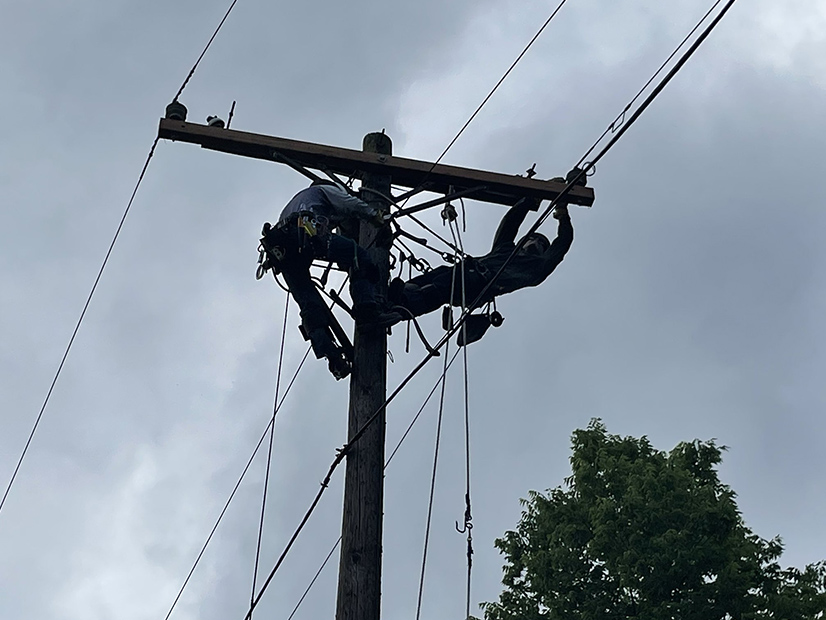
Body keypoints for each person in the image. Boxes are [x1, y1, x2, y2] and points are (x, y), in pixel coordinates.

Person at [260, 181, 400, 380]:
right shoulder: (324, 191)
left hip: (282, 250)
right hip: (307, 232)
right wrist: (376, 218)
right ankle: (368, 312)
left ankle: (332, 356)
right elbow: (350, 204)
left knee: (309, 305)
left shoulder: (293, 204)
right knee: (358, 255)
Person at [390, 196, 574, 322]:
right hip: (465, 271)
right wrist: (530, 200)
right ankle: (393, 298)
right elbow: (510, 223)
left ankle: (403, 307)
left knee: (438, 288)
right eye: (532, 238)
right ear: (522, 242)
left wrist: (562, 214)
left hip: (478, 284)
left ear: (544, 252)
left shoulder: (538, 268)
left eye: (541, 244)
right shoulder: (505, 249)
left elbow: (563, 242)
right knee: (434, 277)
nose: (535, 243)